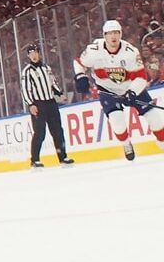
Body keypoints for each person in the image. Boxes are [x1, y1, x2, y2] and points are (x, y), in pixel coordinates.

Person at [74, 19, 163, 161]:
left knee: (155, 119)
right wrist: (80, 76)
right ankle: (126, 143)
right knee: (118, 122)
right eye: (110, 33)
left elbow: (141, 77)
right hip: (107, 90)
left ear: (121, 34)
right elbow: (78, 63)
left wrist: (132, 92)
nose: (113, 36)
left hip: (129, 87)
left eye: (116, 33)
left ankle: (162, 142)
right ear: (104, 35)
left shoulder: (130, 52)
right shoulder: (93, 50)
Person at [19, 46, 72, 168]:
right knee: (40, 133)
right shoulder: (27, 71)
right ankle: (35, 160)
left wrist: (60, 93)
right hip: (39, 104)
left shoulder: (46, 68)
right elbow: (25, 89)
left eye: (35, 52)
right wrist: (30, 104)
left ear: (39, 53)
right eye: (31, 53)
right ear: (28, 56)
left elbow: (52, 82)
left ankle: (63, 157)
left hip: (51, 103)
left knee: (58, 131)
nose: (33, 55)